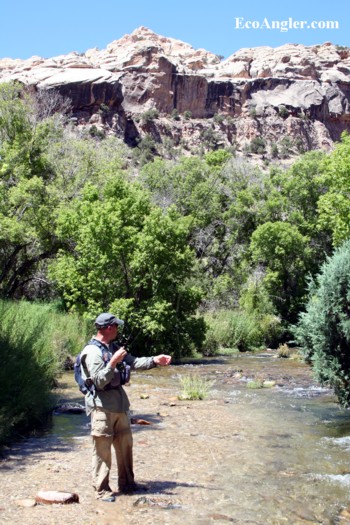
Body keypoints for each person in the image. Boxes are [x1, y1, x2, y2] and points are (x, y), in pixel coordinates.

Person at [80, 312, 172, 502]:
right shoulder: (92, 352)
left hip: (120, 407)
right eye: (116, 326)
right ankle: (102, 490)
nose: (118, 329)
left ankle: (128, 483)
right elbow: (98, 381)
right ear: (108, 328)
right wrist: (113, 362)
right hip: (101, 409)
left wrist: (155, 360)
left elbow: (135, 362)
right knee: (102, 451)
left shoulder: (112, 347)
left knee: (125, 446)